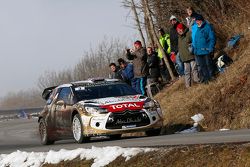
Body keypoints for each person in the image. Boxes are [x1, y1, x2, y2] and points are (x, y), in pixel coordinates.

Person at [193, 14, 216, 83]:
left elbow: (212, 38)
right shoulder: (197, 29)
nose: (197, 22)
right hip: (198, 52)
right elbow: (196, 41)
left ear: (202, 20)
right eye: (196, 21)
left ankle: (211, 77)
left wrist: (210, 48)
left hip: (206, 50)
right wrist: (195, 50)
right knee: (202, 66)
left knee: (208, 64)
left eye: (199, 20)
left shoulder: (207, 27)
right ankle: (206, 79)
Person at [176, 23, 199, 87]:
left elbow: (194, 42)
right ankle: (188, 86)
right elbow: (180, 48)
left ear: (183, 28)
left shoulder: (188, 33)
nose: (179, 31)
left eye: (180, 29)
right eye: (178, 30)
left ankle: (197, 80)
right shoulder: (179, 38)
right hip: (184, 58)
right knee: (187, 72)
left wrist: (192, 47)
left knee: (194, 68)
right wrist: (181, 57)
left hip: (191, 55)